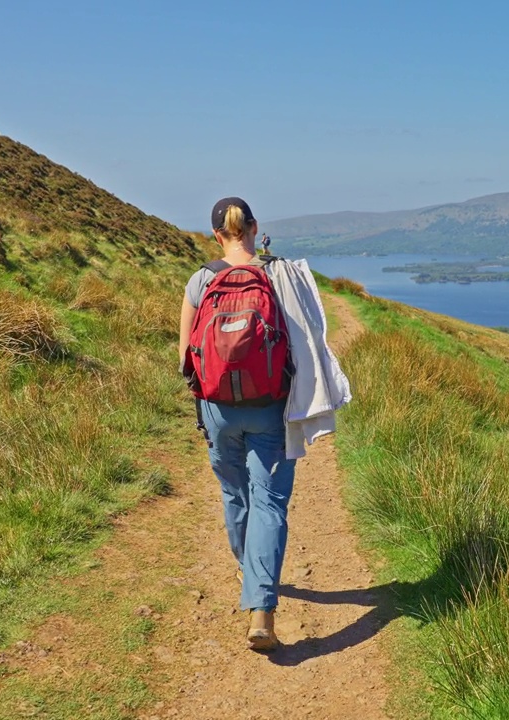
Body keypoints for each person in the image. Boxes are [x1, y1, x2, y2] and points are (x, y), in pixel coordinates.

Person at [179, 196, 349, 652]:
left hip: (217, 411)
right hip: (270, 408)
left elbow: (185, 360)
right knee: (270, 504)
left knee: (235, 495)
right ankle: (261, 612)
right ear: (255, 228)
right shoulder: (279, 275)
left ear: (216, 236)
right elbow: (306, 346)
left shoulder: (200, 280)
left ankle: (247, 569)